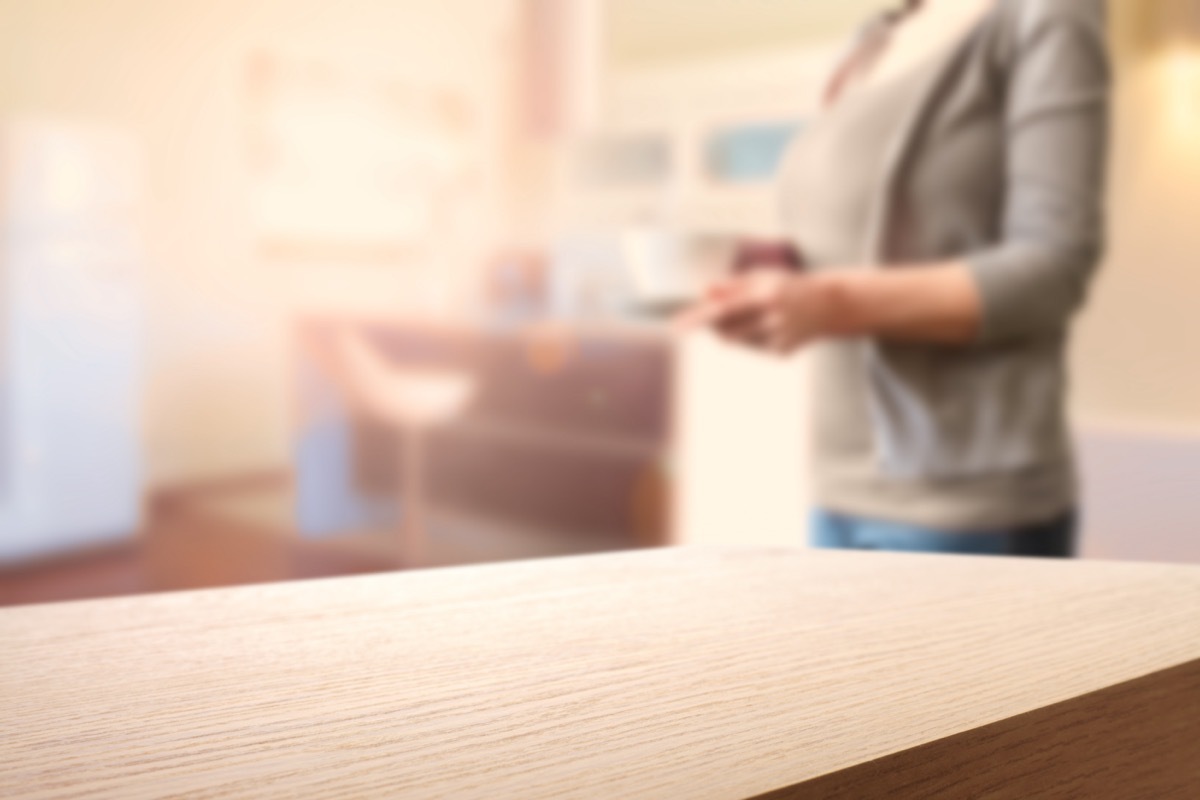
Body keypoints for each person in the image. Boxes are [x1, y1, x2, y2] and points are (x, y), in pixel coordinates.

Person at [680, 0, 1111, 557]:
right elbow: (844, 246)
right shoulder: (877, 35)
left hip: (965, 510)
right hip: (839, 491)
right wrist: (760, 287)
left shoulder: (1046, 15)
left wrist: (828, 303)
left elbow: (1054, 267)